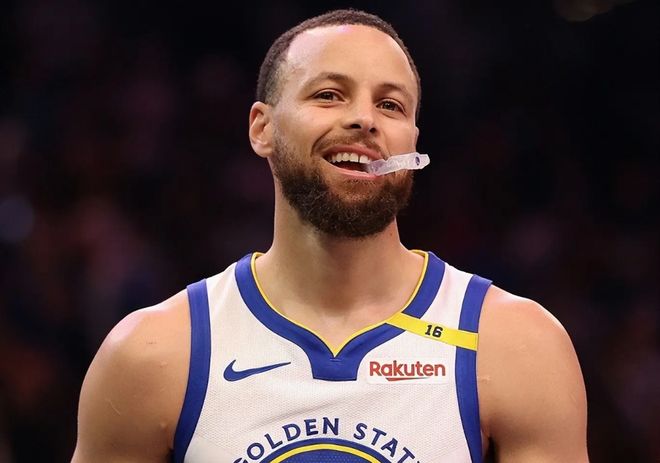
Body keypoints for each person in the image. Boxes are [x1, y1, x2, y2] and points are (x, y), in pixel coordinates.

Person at [72, 9, 588, 463]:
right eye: (329, 95)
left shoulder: (514, 346)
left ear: (413, 143)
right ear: (262, 128)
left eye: (391, 105)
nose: (364, 119)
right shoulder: (155, 355)